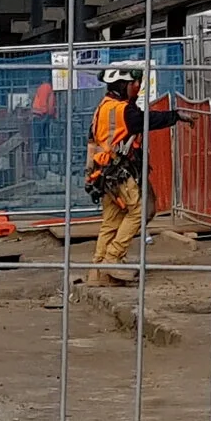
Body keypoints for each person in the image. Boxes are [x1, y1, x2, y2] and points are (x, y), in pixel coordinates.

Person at [83, 65, 149, 281]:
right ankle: (113, 258)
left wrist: (88, 173)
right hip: (117, 171)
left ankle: (97, 274)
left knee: (110, 222)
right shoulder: (123, 110)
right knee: (138, 212)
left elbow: (92, 142)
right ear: (124, 85)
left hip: (104, 174)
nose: (138, 87)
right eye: (134, 83)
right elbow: (148, 121)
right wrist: (176, 115)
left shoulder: (102, 107)